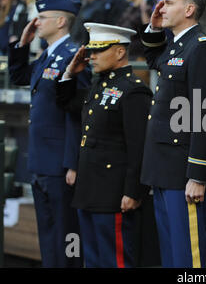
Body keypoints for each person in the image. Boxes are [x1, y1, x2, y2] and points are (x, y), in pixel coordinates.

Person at [56, 23, 152, 267]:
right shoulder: (99, 86)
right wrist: (70, 72)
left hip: (113, 194)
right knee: (92, 260)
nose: (91, 56)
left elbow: (138, 147)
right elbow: (65, 102)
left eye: (99, 50)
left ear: (120, 52)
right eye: (91, 50)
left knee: (115, 260)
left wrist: (133, 191)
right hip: (89, 191)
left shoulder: (134, 91)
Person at [139, 0, 206, 268]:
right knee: (172, 253)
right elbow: (154, 60)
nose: (161, 7)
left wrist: (198, 175)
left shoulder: (200, 48)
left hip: (182, 169)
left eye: (169, 2)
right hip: (163, 165)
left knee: (189, 256)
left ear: (189, 9)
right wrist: (153, 28)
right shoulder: (177, 45)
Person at [7, 0, 90, 267]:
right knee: (48, 235)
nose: (36, 22)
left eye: (41, 18)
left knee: (67, 236)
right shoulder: (47, 57)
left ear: (61, 22)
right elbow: (19, 76)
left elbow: (76, 114)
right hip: (42, 161)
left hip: (60, 163)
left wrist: (72, 163)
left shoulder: (71, 56)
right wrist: (22, 43)